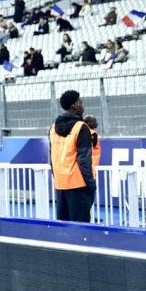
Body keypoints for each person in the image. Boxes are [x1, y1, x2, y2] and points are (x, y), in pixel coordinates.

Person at [49, 90, 96, 223]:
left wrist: (57, 179)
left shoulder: (53, 128)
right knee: (81, 229)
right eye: (80, 102)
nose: (83, 105)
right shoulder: (82, 127)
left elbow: (51, 158)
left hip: (60, 185)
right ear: (74, 106)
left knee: (64, 230)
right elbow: (84, 161)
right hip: (77, 185)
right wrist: (91, 185)